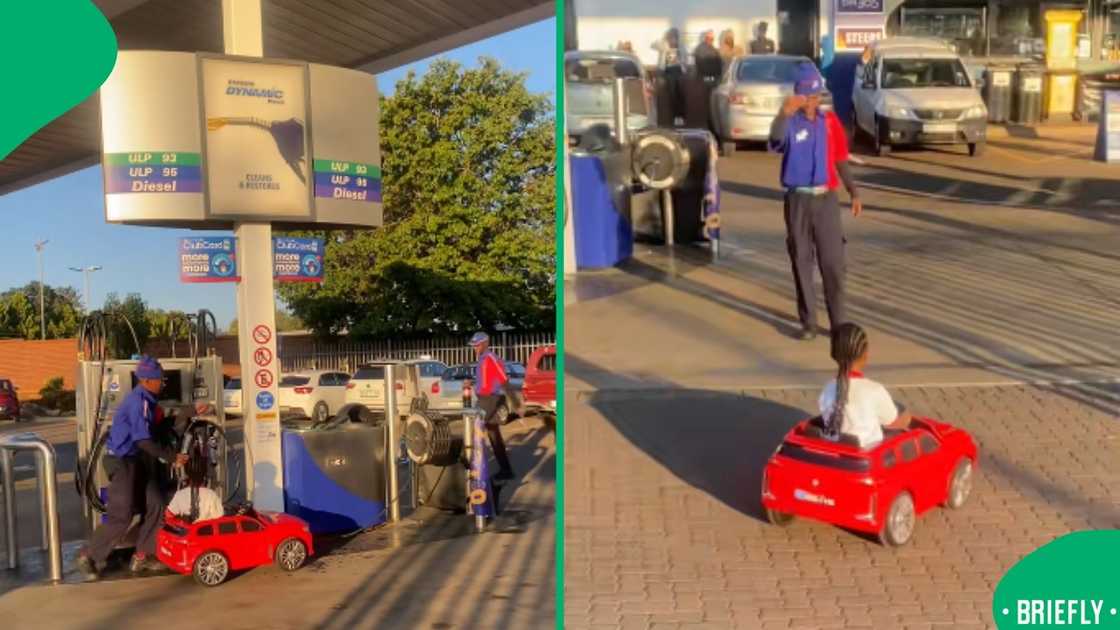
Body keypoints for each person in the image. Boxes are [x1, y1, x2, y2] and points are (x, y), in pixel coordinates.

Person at [769, 62, 862, 340]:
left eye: (816, 96)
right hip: (798, 199)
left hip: (826, 201)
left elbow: (840, 159)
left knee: (833, 262)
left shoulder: (829, 123)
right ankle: (809, 321)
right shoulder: (790, 122)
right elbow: (775, 142)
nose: (812, 102)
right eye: (807, 97)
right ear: (797, 96)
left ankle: (838, 323)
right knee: (801, 260)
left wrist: (853, 191)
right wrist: (782, 115)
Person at [77, 356, 190, 581]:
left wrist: (189, 411)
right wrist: (172, 457)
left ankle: (142, 555)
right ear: (147, 380)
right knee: (122, 515)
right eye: (160, 379)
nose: (163, 383)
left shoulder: (148, 400)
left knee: (157, 505)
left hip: (136, 462)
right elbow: (143, 441)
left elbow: (155, 427)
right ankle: (88, 555)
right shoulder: (139, 402)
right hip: (122, 462)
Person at [818, 323, 912, 447]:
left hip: (838, 449)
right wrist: (907, 417)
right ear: (865, 354)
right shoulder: (875, 390)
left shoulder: (827, 390)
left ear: (834, 354)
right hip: (869, 453)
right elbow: (895, 423)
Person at [469, 332, 514, 481]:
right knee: (493, 434)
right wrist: (473, 385)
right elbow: (484, 381)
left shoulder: (490, 358)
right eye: (474, 346)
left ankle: (476, 471)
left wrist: (514, 401)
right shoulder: (482, 359)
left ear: (485, 343)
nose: (475, 348)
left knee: (474, 428)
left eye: (477, 345)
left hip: (490, 399)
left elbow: (502, 377)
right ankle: (506, 470)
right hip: (486, 397)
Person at [166, 456, 225, 523]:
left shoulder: (180, 494)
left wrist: (180, 519)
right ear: (204, 473)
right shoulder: (211, 495)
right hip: (206, 532)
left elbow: (168, 515)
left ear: (186, 473)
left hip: (187, 532)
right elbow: (220, 519)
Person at [652, 28, 686, 124]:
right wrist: (663, 43)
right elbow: (652, 45)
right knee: (671, 94)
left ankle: (679, 116)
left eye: (675, 37)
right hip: (668, 72)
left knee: (679, 94)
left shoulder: (681, 47)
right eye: (671, 37)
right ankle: (672, 116)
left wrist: (681, 62)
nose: (673, 40)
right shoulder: (664, 45)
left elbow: (685, 58)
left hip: (678, 72)